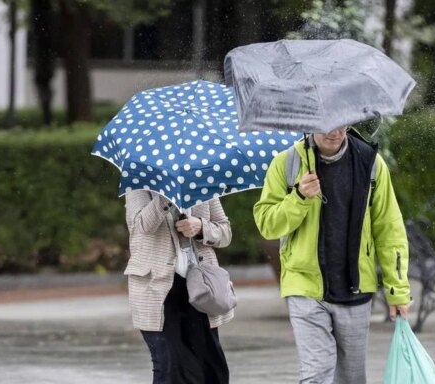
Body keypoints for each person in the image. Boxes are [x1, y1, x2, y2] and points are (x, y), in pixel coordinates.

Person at [254, 127, 411, 384]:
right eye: (327, 124)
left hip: (355, 287)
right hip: (304, 286)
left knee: (351, 378)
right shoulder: (287, 162)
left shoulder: (370, 163)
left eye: (342, 123)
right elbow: (267, 224)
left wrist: (398, 291)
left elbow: (389, 230)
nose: (335, 131)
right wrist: (299, 197)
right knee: (316, 375)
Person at [124, 190, 233, 384]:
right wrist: (166, 197)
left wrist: (201, 227)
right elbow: (141, 226)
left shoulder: (202, 181)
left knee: (211, 369)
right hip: (157, 288)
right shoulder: (138, 184)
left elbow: (225, 232)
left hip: (200, 288)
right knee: (171, 368)